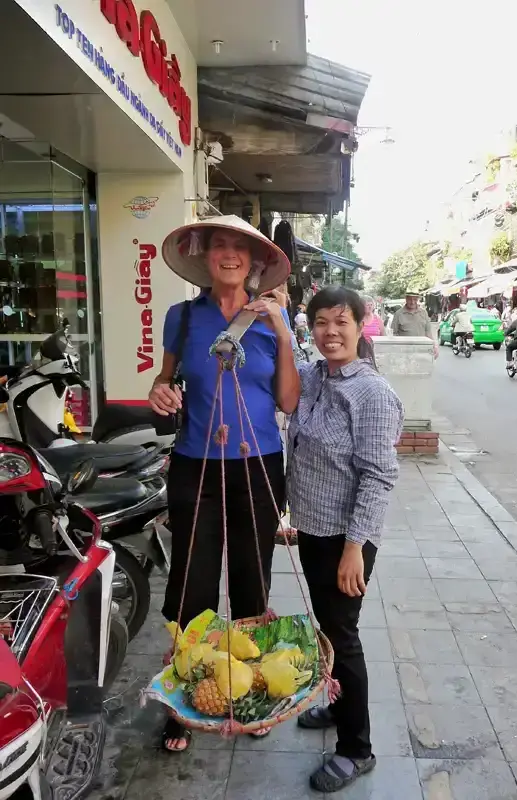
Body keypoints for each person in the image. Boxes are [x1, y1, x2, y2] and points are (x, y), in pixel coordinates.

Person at [150, 215, 300, 752]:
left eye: (241, 248)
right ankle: (186, 702)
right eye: (220, 245)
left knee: (251, 581)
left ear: (257, 263)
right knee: (192, 582)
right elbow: (164, 381)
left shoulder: (274, 320)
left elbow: (288, 401)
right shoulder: (183, 317)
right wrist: (161, 392)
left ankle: (253, 693)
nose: (230, 255)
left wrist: (282, 329)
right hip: (196, 464)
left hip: (259, 464)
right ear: (205, 256)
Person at [287, 287, 404, 793]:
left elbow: (377, 477)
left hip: (348, 539)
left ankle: (357, 748)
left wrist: (355, 546)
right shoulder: (312, 376)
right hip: (312, 530)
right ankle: (336, 707)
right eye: (320, 322)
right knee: (328, 628)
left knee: (344, 636)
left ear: (361, 325)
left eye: (341, 322)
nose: (330, 332)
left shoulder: (374, 394)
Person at [392, 292, 438, 357]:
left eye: (415, 299)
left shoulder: (423, 312)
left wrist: (434, 346)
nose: (412, 302)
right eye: (410, 299)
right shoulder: (398, 314)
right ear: (406, 299)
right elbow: (393, 334)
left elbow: (428, 332)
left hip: (422, 351)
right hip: (404, 352)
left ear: (417, 299)